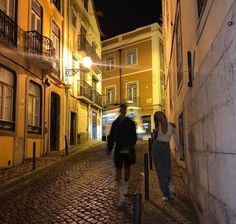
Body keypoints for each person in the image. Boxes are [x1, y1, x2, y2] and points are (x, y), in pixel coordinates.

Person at [107, 103, 137, 207]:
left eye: (124, 109)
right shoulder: (115, 123)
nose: (123, 111)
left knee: (127, 168)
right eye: (122, 109)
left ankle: (126, 187)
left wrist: (130, 146)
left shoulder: (130, 123)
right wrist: (109, 149)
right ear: (120, 111)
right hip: (119, 149)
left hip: (128, 149)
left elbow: (134, 136)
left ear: (126, 110)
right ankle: (121, 193)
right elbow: (111, 136)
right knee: (118, 170)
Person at [152, 111, 179, 202]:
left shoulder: (172, 125)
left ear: (163, 114)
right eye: (156, 116)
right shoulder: (157, 126)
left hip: (166, 148)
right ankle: (165, 193)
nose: (158, 116)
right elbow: (154, 138)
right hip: (157, 148)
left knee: (167, 171)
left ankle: (168, 185)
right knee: (160, 172)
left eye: (159, 114)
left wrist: (180, 150)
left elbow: (176, 139)